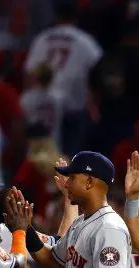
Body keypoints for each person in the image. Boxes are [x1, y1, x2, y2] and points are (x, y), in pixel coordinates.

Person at [24, 0, 103, 154]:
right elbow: (97, 74)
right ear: (77, 15)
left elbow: (29, 74)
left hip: (43, 107)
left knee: (43, 157)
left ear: (56, 15)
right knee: (71, 161)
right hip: (72, 111)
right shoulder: (85, 41)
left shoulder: (42, 39)